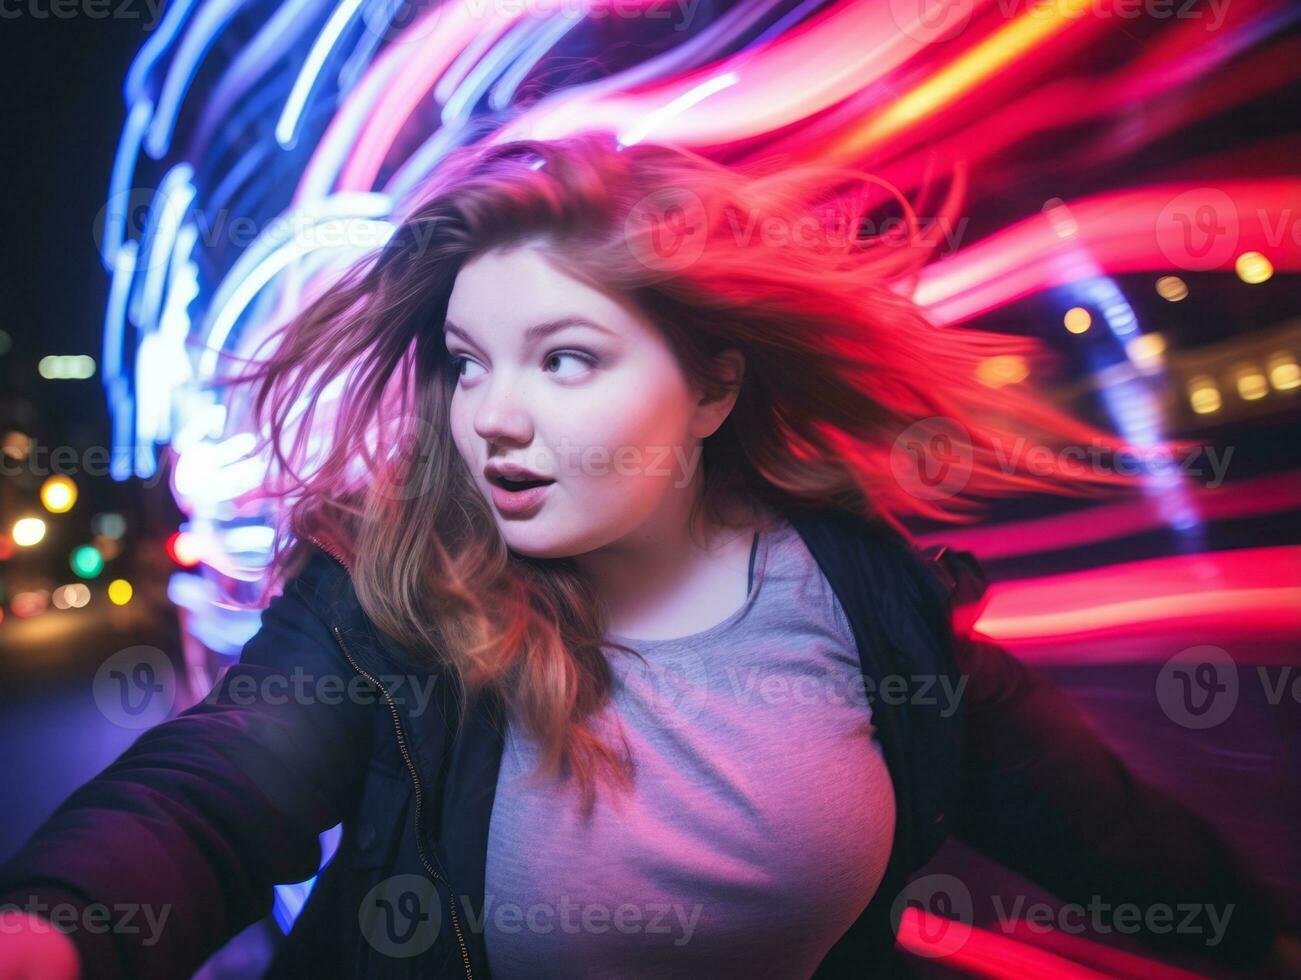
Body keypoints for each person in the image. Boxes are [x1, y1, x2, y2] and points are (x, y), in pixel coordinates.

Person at [1, 132, 1295, 979]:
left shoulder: (868, 604)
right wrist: (54, 933)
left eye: (564, 358)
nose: (491, 413)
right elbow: (212, 795)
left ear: (712, 391)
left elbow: (1106, 836)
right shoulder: (390, 595)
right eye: (467, 361)